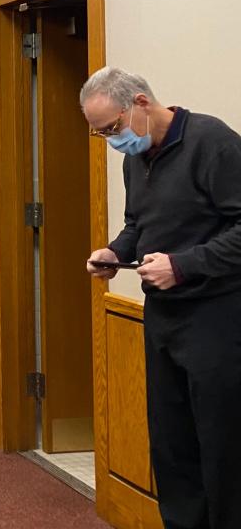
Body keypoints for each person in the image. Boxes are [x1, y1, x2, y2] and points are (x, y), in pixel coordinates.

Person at [81, 66, 241, 529]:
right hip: (164, 322)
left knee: (222, 449)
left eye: (112, 128)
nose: (112, 141)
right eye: (100, 134)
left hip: (219, 320)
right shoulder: (138, 158)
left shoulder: (214, 143)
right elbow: (140, 224)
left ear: (141, 104)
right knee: (172, 449)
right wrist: (116, 251)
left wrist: (183, 266)